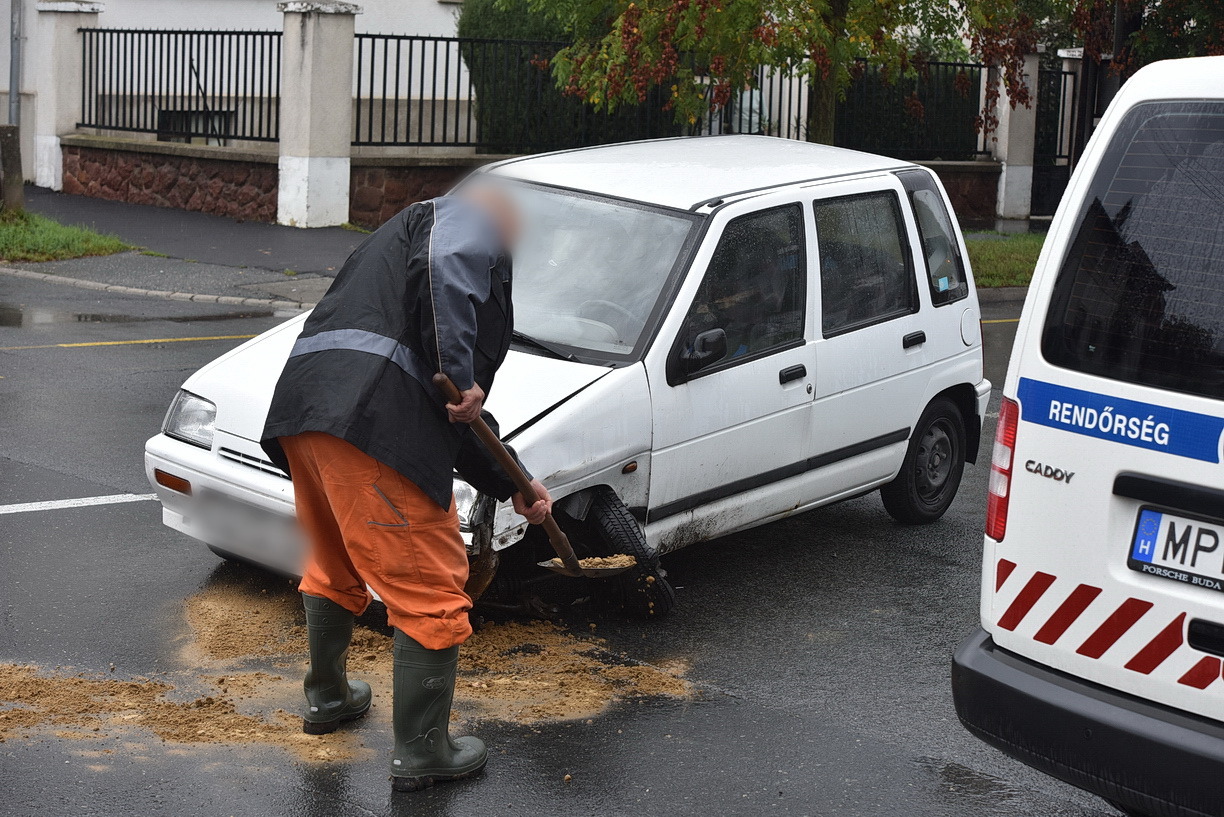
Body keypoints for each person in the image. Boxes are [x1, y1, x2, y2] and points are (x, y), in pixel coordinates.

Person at [260, 179, 552, 793]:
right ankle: (423, 752)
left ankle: (329, 696)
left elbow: (454, 412)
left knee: (332, 561)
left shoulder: (395, 238)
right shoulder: (463, 220)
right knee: (428, 589)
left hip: (309, 415)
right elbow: (447, 369)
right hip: (372, 425)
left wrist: (513, 481)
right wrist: (461, 369)